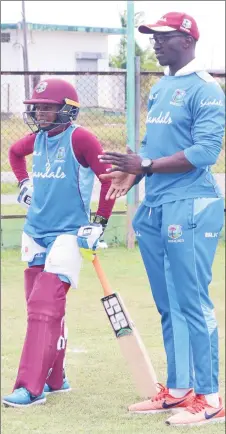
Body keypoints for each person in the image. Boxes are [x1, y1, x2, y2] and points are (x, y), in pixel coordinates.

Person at [99, 12, 225, 427]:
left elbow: (206, 152)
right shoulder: (160, 88)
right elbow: (151, 146)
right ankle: (178, 390)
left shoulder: (206, 89)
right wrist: (132, 170)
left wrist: (146, 163)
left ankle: (210, 398)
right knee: (169, 305)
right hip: (154, 206)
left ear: (187, 40)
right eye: (152, 36)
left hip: (190, 205)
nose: (154, 43)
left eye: (163, 36)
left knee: (193, 303)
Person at [2, 78, 115, 408]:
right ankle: (55, 378)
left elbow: (108, 179)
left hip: (68, 234)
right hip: (35, 230)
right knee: (42, 310)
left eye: (46, 107)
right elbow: (12, 152)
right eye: (36, 107)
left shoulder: (81, 138)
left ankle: (30, 388)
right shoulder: (37, 138)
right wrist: (23, 182)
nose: (38, 112)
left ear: (67, 110)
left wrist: (99, 223)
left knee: (43, 308)